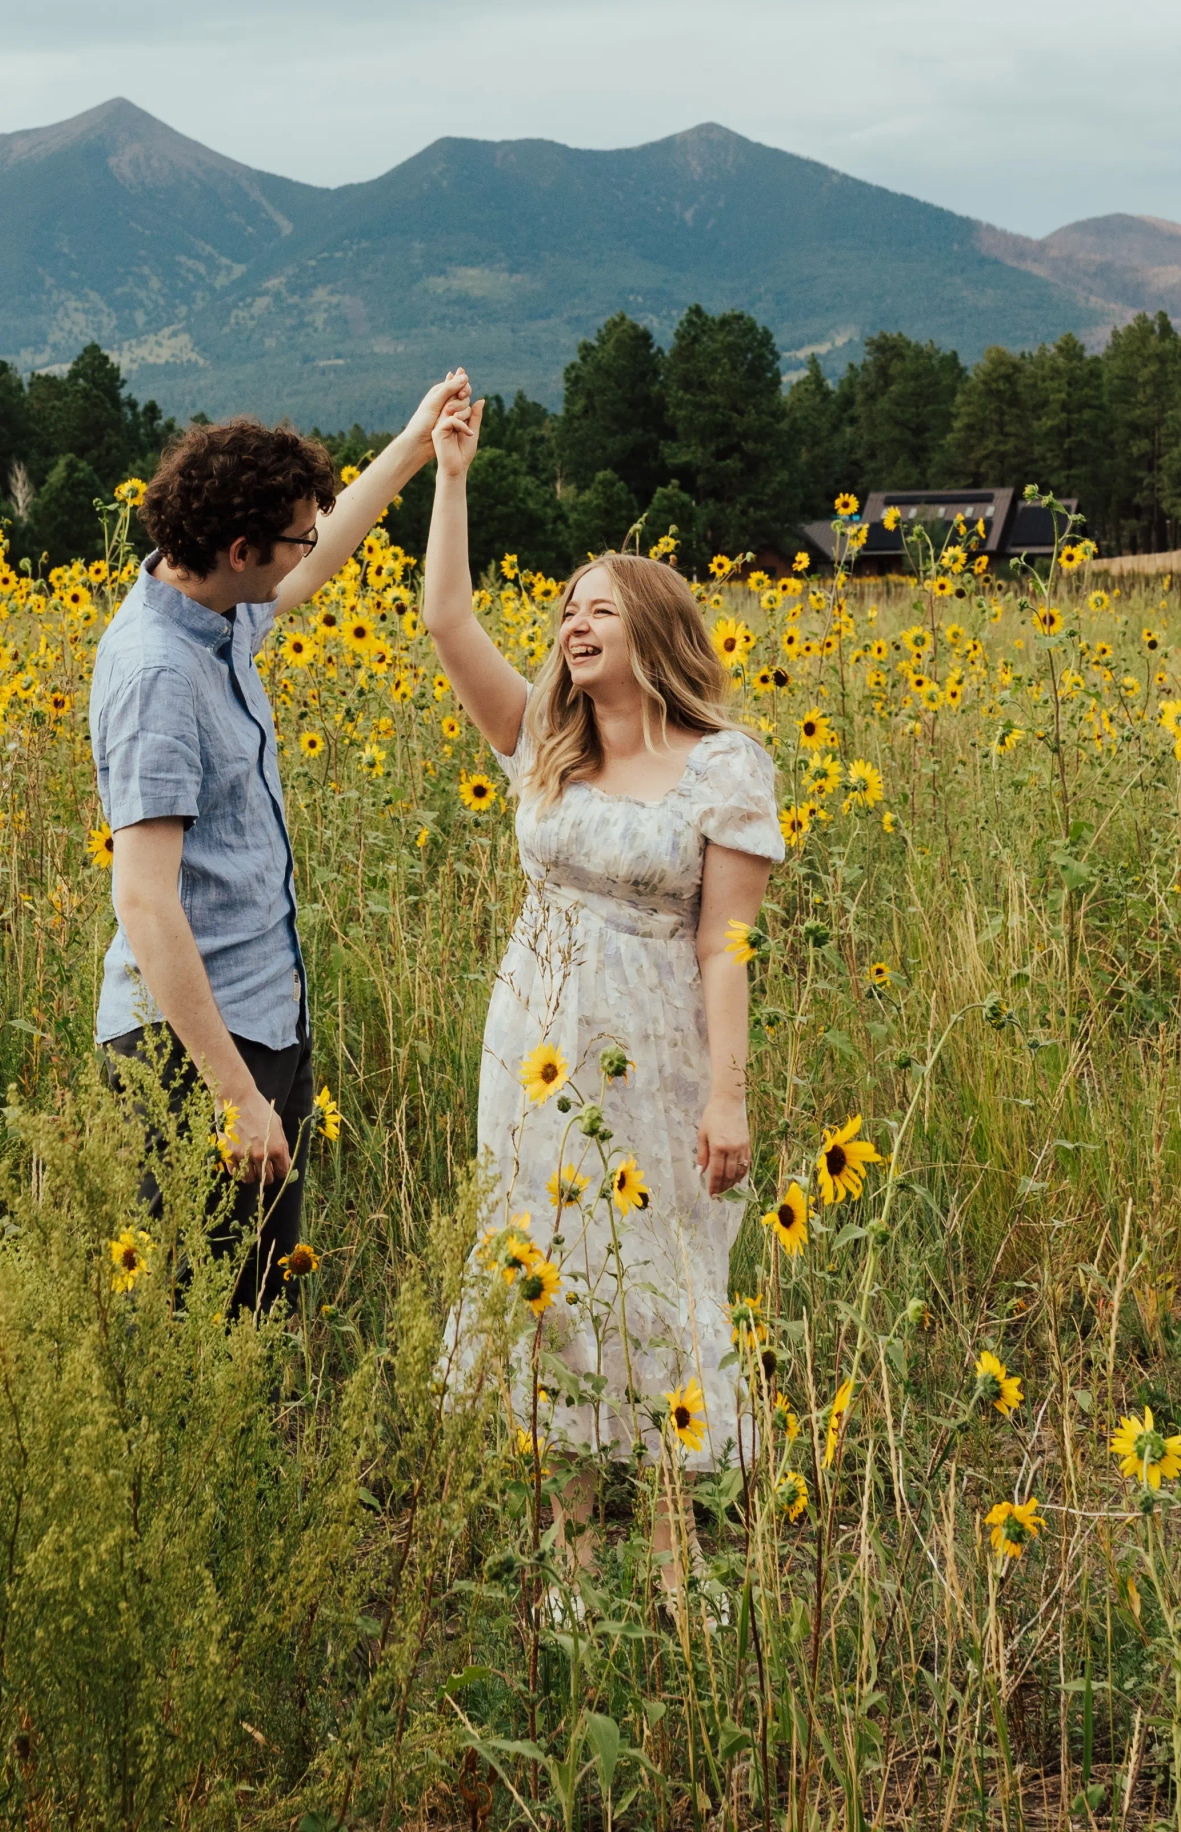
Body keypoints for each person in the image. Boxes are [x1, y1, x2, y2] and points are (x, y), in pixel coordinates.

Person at [414, 387, 782, 1567]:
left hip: (657, 1052)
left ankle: (676, 1551)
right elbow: (445, 618)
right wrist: (453, 474)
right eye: (568, 610)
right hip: (531, 1046)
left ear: (656, 628)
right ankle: (572, 1552)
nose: (574, 624)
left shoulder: (725, 767)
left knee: (659, 1276)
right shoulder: (545, 748)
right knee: (550, 1270)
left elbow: (727, 945)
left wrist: (729, 1094)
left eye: (601, 609)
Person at [93, 373, 470, 1313]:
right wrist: (232, 1095)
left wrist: (417, 443)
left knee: (258, 1304)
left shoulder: (214, 613)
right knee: (206, 1316)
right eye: (291, 536)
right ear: (237, 548)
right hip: (193, 1048)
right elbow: (143, 900)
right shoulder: (158, 675)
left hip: (258, 1016)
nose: (305, 552)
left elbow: (316, 562)